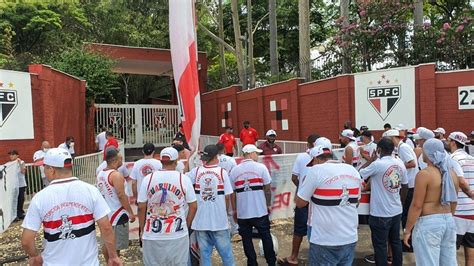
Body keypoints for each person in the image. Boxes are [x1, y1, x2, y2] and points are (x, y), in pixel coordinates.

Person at [21, 148, 122, 266]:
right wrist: (113, 256)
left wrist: (35, 256)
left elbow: (26, 240)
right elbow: (106, 228)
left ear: (51, 170)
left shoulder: (40, 198)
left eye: (44, 167)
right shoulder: (91, 191)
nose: (44, 171)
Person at [296, 144, 362, 265]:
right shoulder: (352, 170)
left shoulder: (316, 171)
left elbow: (300, 202)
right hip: (349, 237)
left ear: (316, 159)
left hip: (325, 240)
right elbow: (356, 202)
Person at [137, 147, 197, 266]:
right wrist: (186, 224)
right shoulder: (183, 179)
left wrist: (142, 228)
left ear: (160, 161)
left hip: (153, 232)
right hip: (177, 231)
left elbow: (141, 206)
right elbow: (194, 206)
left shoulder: (148, 179)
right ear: (176, 162)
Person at [403, 138, 459, 266]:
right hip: (449, 220)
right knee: (449, 262)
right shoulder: (451, 173)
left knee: (428, 262)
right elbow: (454, 201)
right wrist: (447, 217)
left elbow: (417, 205)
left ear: (428, 153)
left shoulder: (424, 174)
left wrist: (407, 230)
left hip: (429, 223)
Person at [359, 138, 408, 266]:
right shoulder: (400, 163)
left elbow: (359, 173)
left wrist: (371, 159)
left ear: (379, 150)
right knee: (395, 242)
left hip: (380, 213)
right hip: (396, 210)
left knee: (380, 246)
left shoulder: (377, 164)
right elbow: (405, 186)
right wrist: (401, 203)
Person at [187, 145, 235, 266]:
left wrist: (189, 161)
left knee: (205, 256)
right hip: (219, 221)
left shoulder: (196, 171)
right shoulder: (222, 172)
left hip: (200, 221)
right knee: (227, 256)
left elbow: (184, 179)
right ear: (215, 157)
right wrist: (225, 212)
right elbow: (227, 196)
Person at [230, 144, 276, 266]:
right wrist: (268, 205)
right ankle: (271, 262)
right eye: (256, 153)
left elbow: (232, 193)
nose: (258, 155)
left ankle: (252, 262)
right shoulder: (261, 168)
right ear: (251, 153)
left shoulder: (235, 170)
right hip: (259, 210)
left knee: (247, 239)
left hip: (243, 213)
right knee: (266, 236)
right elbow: (267, 188)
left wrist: (235, 210)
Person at [278, 134, 318, 265]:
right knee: (318, 227)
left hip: (304, 199)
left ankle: (294, 256)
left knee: (299, 228)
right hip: (320, 199)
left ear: (309, 143)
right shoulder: (327, 159)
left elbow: (294, 177)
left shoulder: (302, 157)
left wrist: (302, 189)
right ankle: (315, 256)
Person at [96, 148, 135, 261]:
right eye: (120, 158)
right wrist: (130, 212)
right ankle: (114, 262)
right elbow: (121, 195)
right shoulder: (116, 175)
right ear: (114, 160)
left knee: (107, 242)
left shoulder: (101, 173)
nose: (121, 160)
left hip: (106, 213)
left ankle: (109, 262)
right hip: (117, 213)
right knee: (116, 246)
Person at [448, 131, 474, 265]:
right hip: (472, 210)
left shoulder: (453, 158)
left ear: (453, 142)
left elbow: (461, 181)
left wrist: (470, 194)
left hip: (459, 211)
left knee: (450, 250)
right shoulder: (471, 158)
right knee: (470, 249)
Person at [385, 129, 419, 229]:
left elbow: (412, 163)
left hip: (410, 184)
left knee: (406, 212)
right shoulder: (401, 147)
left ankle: (407, 238)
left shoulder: (403, 147)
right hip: (409, 182)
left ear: (392, 138)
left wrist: (397, 166)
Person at [8, 150, 26, 220]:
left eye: (13, 154)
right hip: (13, 185)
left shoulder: (22, 162)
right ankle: (14, 215)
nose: (11, 156)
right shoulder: (9, 164)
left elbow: (23, 171)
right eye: (10, 155)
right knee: (14, 200)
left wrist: (19, 163)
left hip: (21, 184)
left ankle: (20, 213)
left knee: (21, 199)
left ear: (17, 155)